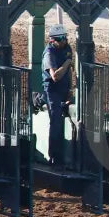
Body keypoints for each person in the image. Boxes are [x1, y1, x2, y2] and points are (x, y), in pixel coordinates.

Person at [41, 23, 73, 168]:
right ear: (52, 40)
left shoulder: (67, 48)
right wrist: (67, 63)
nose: (63, 41)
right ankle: (54, 157)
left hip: (64, 89)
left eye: (65, 37)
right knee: (56, 120)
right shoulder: (49, 53)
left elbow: (73, 71)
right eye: (60, 39)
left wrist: (71, 90)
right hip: (52, 89)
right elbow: (55, 76)